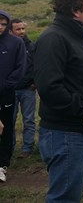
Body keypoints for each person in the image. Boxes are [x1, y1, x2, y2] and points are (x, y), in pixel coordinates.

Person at [34, 0, 83, 201]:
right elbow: (49, 87)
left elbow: (74, 79)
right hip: (65, 133)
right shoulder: (54, 38)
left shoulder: (76, 37)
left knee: (71, 196)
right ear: (76, 10)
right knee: (64, 198)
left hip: (77, 132)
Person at [0, 10, 26, 183]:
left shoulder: (15, 43)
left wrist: (7, 85)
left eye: (3, 24)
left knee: (6, 127)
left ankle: (2, 164)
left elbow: (21, 66)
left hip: (5, 94)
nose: (0, 27)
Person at [9, 18, 37, 159]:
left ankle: (27, 148)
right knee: (10, 120)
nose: (21, 32)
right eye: (18, 29)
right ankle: (10, 148)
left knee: (29, 119)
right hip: (11, 90)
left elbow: (37, 65)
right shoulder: (6, 46)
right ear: (11, 31)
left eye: (23, 29)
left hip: (28, 89)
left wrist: (35, 82)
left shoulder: (30, 46)